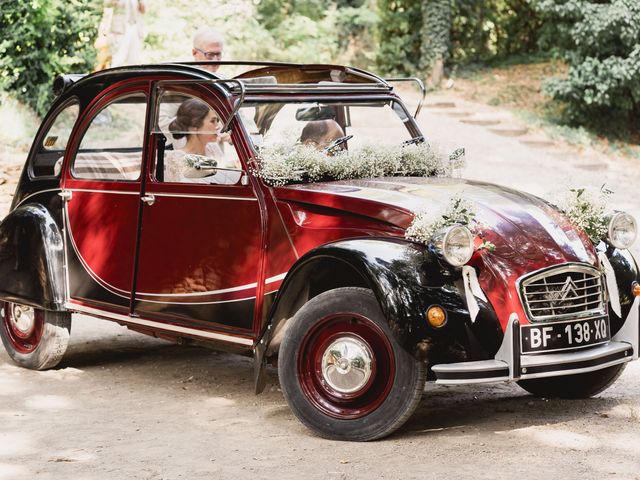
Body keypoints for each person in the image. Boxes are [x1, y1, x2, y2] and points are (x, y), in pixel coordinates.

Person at [166, 99, 240, 184]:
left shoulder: (213, 148)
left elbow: (223, 178)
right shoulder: (176, 158)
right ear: (194, 128)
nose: (217, 127)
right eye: (212, 121)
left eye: (217, 121)